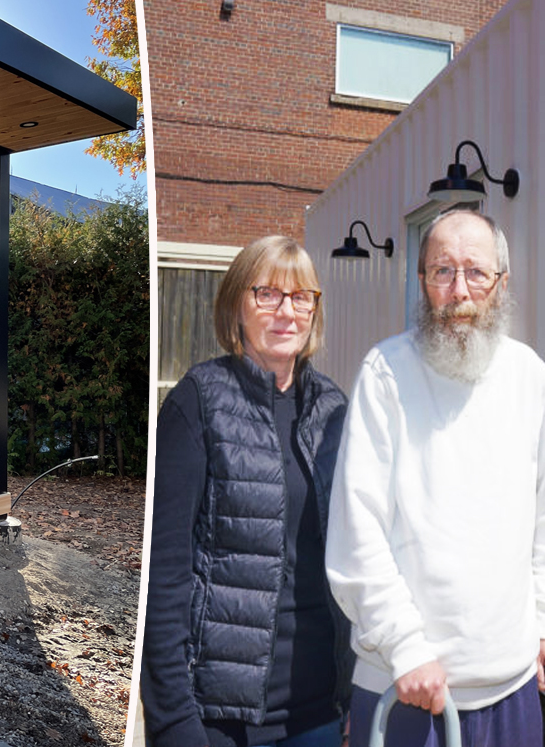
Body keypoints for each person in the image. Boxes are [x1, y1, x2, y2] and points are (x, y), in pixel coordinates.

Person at [325, 208, 545, 746]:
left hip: (511, 687)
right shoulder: (387, 372)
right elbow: (358, 532)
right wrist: (406, 649)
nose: (459, 291)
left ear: (502, 283)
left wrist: (539, 622)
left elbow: (539, 521)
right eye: (442, 271)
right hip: (409, 687)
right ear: (422, 282)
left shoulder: (529, 375)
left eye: (475, 271)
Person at [142, 235, 353, 747]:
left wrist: (355, 695)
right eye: (268, 294)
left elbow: (353, 558)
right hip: (220, 721)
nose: (287, 311)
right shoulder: (199, 402)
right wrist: (173, 721)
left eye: (301, 297)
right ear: (237, 303)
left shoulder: (334, 411)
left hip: (320, 714)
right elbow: (164, 575)